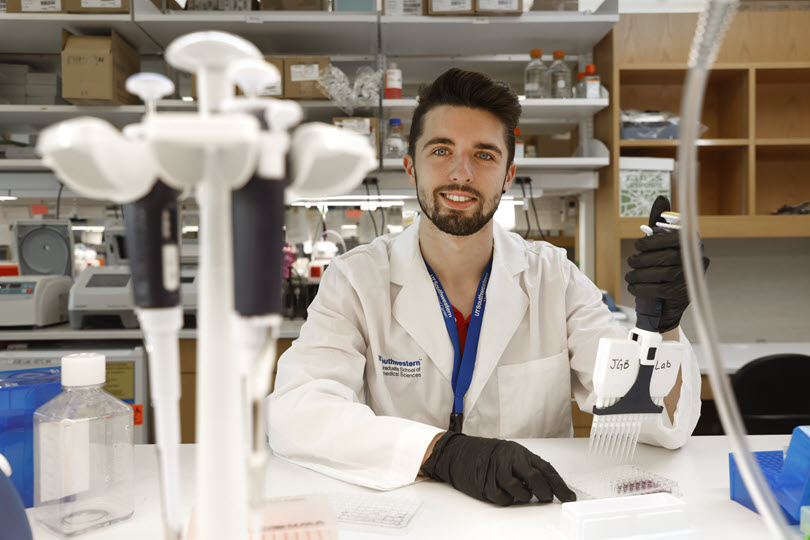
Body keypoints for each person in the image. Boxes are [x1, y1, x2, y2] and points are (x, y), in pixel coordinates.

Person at [267, 68, 706, 506]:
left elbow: (648, 421)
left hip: (531, 519)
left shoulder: (554, 277)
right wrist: (441, 453)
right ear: (410, 167)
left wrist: (662, 327)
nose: (461, 173)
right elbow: (297, 413)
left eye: (484, 155)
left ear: (508, 174)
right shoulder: (357, 281)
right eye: (441, 150)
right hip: (407, 515)